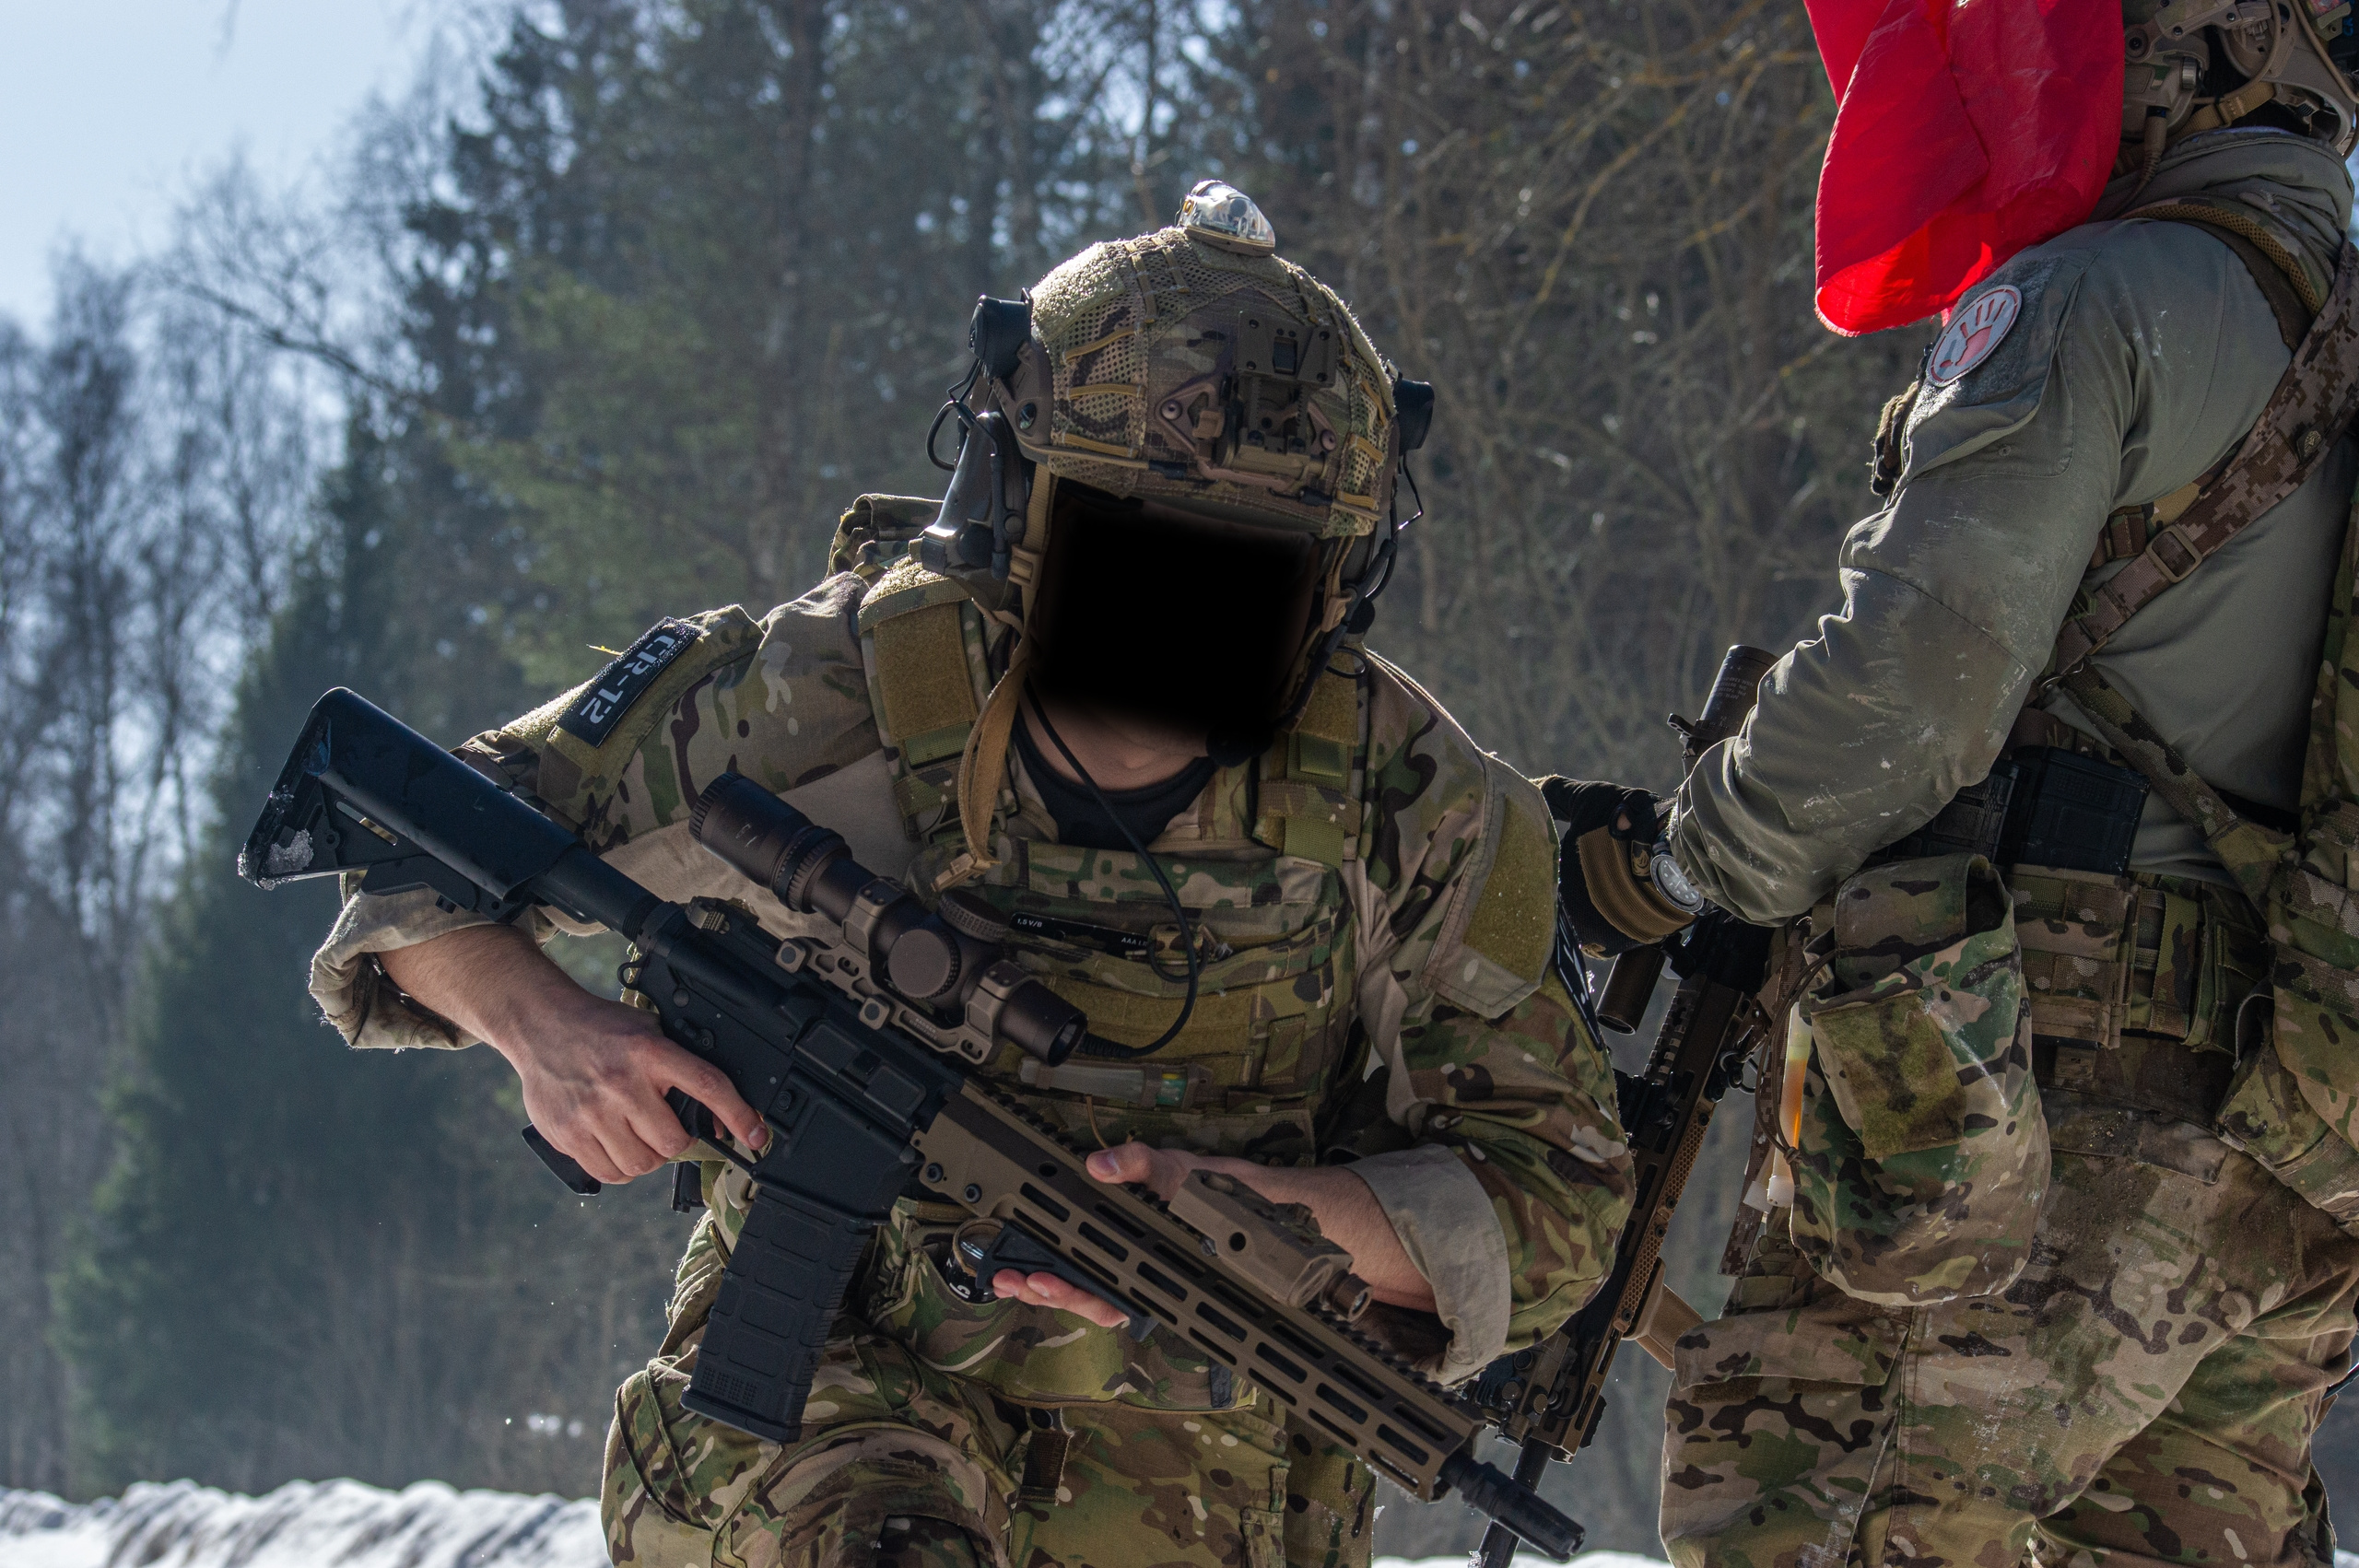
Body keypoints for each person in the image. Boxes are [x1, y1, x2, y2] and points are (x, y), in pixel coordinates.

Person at [304, 181, 1633, 1568]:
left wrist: (1250, 1221)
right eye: (1142, 558)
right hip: (832, 1412)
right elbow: (408, 847)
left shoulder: (1409, 798)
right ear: (1013, 504)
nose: (1185, 626)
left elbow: (1557, 1201)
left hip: (1210, 1481)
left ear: (1341, 583)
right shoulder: (820, 695)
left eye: (1255, 582)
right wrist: (550, 1030)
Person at [1556, 4, 2359, 1566]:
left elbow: (1908, 690)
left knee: (1822, 1516)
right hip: (2295, 1151)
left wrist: (1668, 867)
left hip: (2032, 1121)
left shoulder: (2096, 298)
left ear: (2194, 49)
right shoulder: (2325, 323)